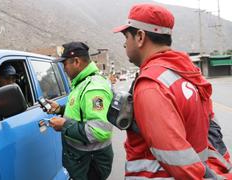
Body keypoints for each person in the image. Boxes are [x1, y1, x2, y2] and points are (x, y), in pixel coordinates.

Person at [113, 3, 232, 179]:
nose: (124, 45)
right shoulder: (188, 73)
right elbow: (212, 134)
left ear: (140, 37)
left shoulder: (151, 85)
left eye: (126, 37)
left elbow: (178, 163)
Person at [46, 42, 114, 180]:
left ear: (76, 61)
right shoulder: (81, 83)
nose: (64, 69)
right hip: (82, 161)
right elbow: (82, 112)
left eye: (65, 64)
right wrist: (60, 109)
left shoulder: (93, 88)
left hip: (91, 165)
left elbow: (99, 130)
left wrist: (64, 125)